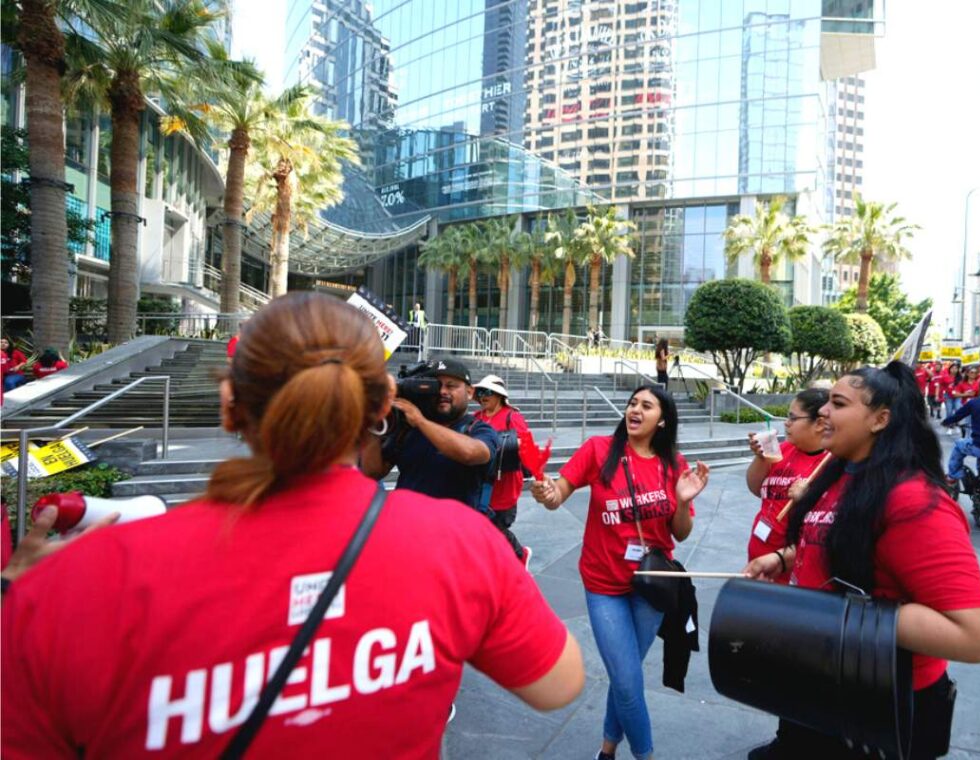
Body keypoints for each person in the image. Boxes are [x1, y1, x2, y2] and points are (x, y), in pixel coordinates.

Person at [1, 292, 585, 758]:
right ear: (380, 403)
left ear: (231, 405)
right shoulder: (461, 547)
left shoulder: (74, 588)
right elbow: (558, 685)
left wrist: (20, 597)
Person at [744, 362, 980, 760]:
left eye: (838, 403)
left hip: (881, 703)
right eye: (826, 401)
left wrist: (836, 612)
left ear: (880, 420)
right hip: (822, 681)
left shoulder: (914, 501)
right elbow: (841, 543)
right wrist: (784, 556)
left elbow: (975, 637)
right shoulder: (840, 475)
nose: (823, 411)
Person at [531, 385, 709, 760]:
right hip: (604, 584)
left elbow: (681, 532)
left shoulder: (673, 463)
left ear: (662, 420)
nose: (635, 410)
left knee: (623, 676)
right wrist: (548, 493)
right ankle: (645, 755)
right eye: (632, 403)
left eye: (646, 406)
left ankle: (607, 749)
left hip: (653, 585)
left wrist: (682, 502)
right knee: (628, 680)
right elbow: (559, 492)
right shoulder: (599, 449)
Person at [362, 356, 500, 517]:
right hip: (405, 528)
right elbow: (372, 472)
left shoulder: (478, 429)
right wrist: (373, 426)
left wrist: (420, 421)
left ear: (470, 392)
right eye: (437, 386)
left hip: (453, 533)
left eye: (451, 386)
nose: (442, 391)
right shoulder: (408, 428)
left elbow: (471, 453)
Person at [744, 389, 829, 570]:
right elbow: (755, 488)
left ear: (820, 424)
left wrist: (808, 498)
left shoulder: (829, 464)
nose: (786, 423)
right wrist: (761, 457)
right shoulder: (784, 449)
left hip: (788, 565)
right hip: (759, 553)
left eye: (793, 418)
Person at [472, 373, 533, 568]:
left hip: (504, 483)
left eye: (488, 392)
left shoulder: (511, 417)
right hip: (480, 481)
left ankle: (520, 554)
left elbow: (527, 446)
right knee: (480, 525)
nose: (483, 396)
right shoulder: (476, 418)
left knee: (497, 526)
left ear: (499, 395)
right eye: (480, 392)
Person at [950, 365, 980, 438]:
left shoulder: (979, 384)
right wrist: (965, 394)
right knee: (967, 424)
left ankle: (971, 438)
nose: (973, 374)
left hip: (977, 407)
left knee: (974, 424)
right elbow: (955, 394)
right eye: (971, 372)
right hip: (966, 406)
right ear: (967, 373)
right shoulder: (962, 383)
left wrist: (976, 395)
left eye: (975, 373)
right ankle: (967, 439)